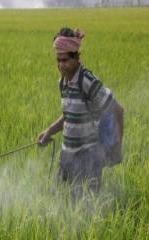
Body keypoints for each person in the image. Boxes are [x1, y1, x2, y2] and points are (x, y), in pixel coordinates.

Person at [37, 27, 124, 198]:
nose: (60, 65)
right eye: (58, 60)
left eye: (65, 60)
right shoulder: (62, 83)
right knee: (58, 199)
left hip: (88, 157)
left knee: (87, 207)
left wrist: (116, 146)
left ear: (77, 57)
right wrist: (49, 131)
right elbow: (69, 114)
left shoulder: (87, 82)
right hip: (66, 155)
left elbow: (117, 110)